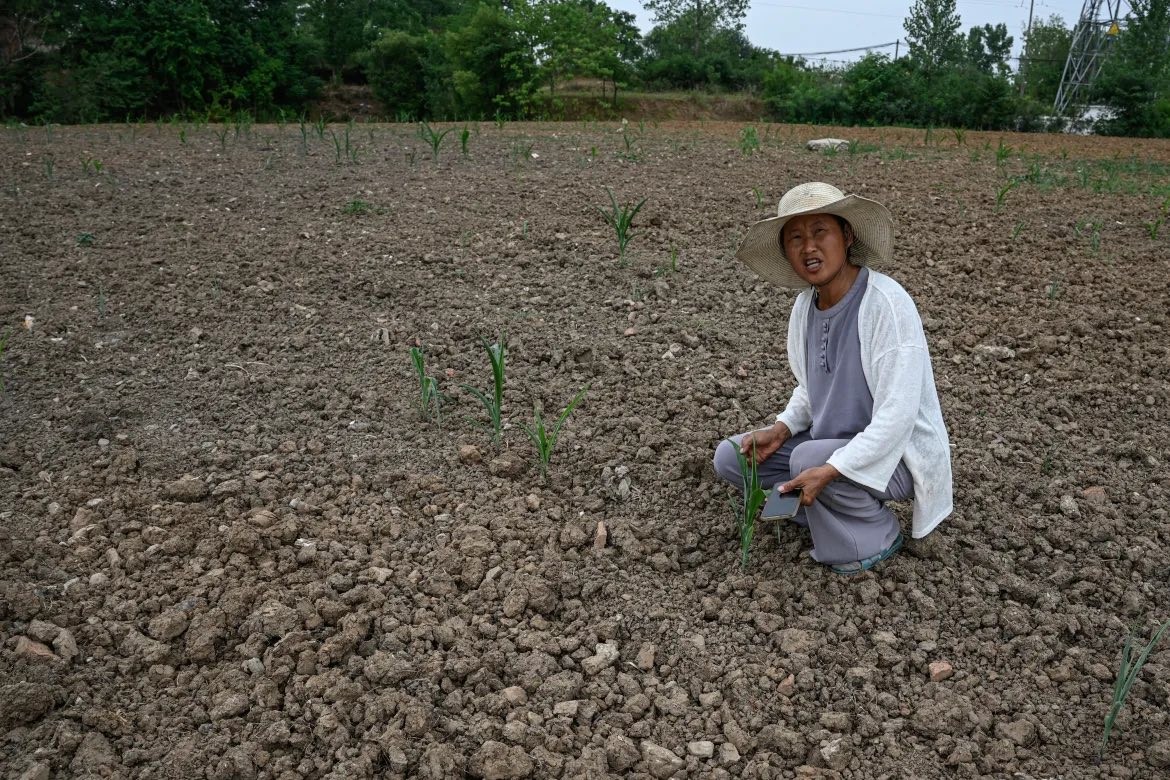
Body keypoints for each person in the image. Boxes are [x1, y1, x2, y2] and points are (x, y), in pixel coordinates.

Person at [712, 182, 952, 574]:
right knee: (733, 458)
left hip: (897, 456)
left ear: (847, 235)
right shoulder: (805, 308)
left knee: (809, 460)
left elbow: (898, 417)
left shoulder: (885, 306)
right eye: (796, 238)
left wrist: (834, 467)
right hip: (829, 443)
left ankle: (877, 533)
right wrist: (783, 428)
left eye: (820, 231)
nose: (809, 248)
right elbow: (811, 385)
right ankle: (823, 506)